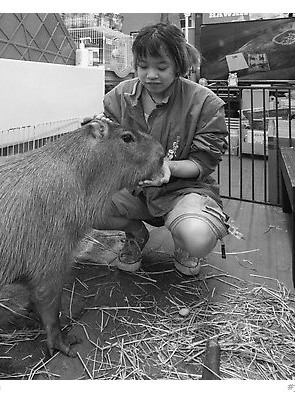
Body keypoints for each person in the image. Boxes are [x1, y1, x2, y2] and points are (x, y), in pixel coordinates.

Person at [95, 22, 229, 276]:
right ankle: (135, 232)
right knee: (80, 206)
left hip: (181, 190)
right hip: (132, 190)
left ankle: (184, 244)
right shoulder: (119, 96)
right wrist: (98, 134)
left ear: (179, 65)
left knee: (197, 237)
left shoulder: (205, 104)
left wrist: (167, 167)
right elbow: (109, 149)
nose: (150, 75)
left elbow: (202, 164)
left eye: (161, 67)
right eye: (143, 66)